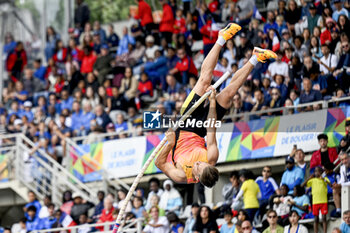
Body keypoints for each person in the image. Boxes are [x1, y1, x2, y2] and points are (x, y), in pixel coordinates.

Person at [155, 23, 277, 188]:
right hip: (201, 131)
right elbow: (211, 130)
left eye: (198, 166)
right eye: (202, 164)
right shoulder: (211, 158)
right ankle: (255, 56)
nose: (199, 163)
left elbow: (159, 163)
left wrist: (170, 143)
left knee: (204, 81)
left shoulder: (180, 175)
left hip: (183, 127)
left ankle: (221, 38)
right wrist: (212, 100)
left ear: (196, 176)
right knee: (227, 96)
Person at [302, 166, 329, 233]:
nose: (317, 173)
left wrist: (323, 179)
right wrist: (309, 178)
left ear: (322, 172)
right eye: (315, 171)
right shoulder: (312, 180)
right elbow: (302, 185)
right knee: (316, 218)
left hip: (323, 201)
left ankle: (325, 231)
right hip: (315, 202)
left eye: (319, 171)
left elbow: (330, 184)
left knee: (324, 217)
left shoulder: (324, 179)